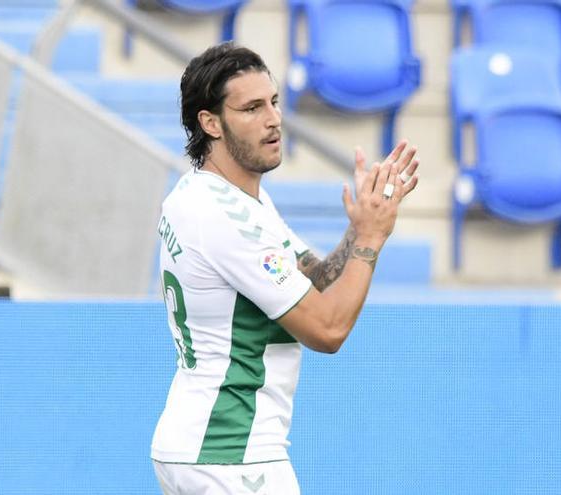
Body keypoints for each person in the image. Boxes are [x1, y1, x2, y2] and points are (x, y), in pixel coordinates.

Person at [151, 42, 420, 494]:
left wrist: (358, 227)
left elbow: (312, 277)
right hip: (230, 452)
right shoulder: (221, 216)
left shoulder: (225, 197)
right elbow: (327, 330)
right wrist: (373, 238)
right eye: (252, 108)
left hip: (206, 447)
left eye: (273, 102)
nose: (274, 119)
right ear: (210, 123)